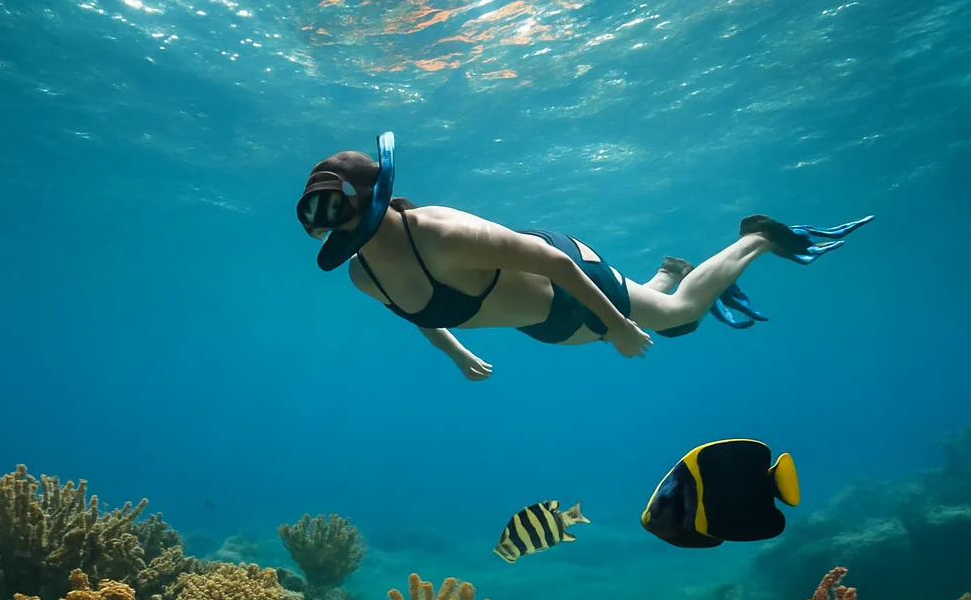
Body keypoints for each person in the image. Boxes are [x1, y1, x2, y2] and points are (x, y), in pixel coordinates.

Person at [296, 132, 872, 382]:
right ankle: (668, 271)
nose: (330, 229)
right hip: (543, 324)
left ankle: (758, 237)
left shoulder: (441, 234)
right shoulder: (362, 275)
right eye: (316, 219)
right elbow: (416, 314)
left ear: (367, 201)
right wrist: (457, 353)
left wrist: (620, 326)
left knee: (677, 317)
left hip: (569, 279)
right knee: (656, 315)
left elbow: (555, 265)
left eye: (334, 210)